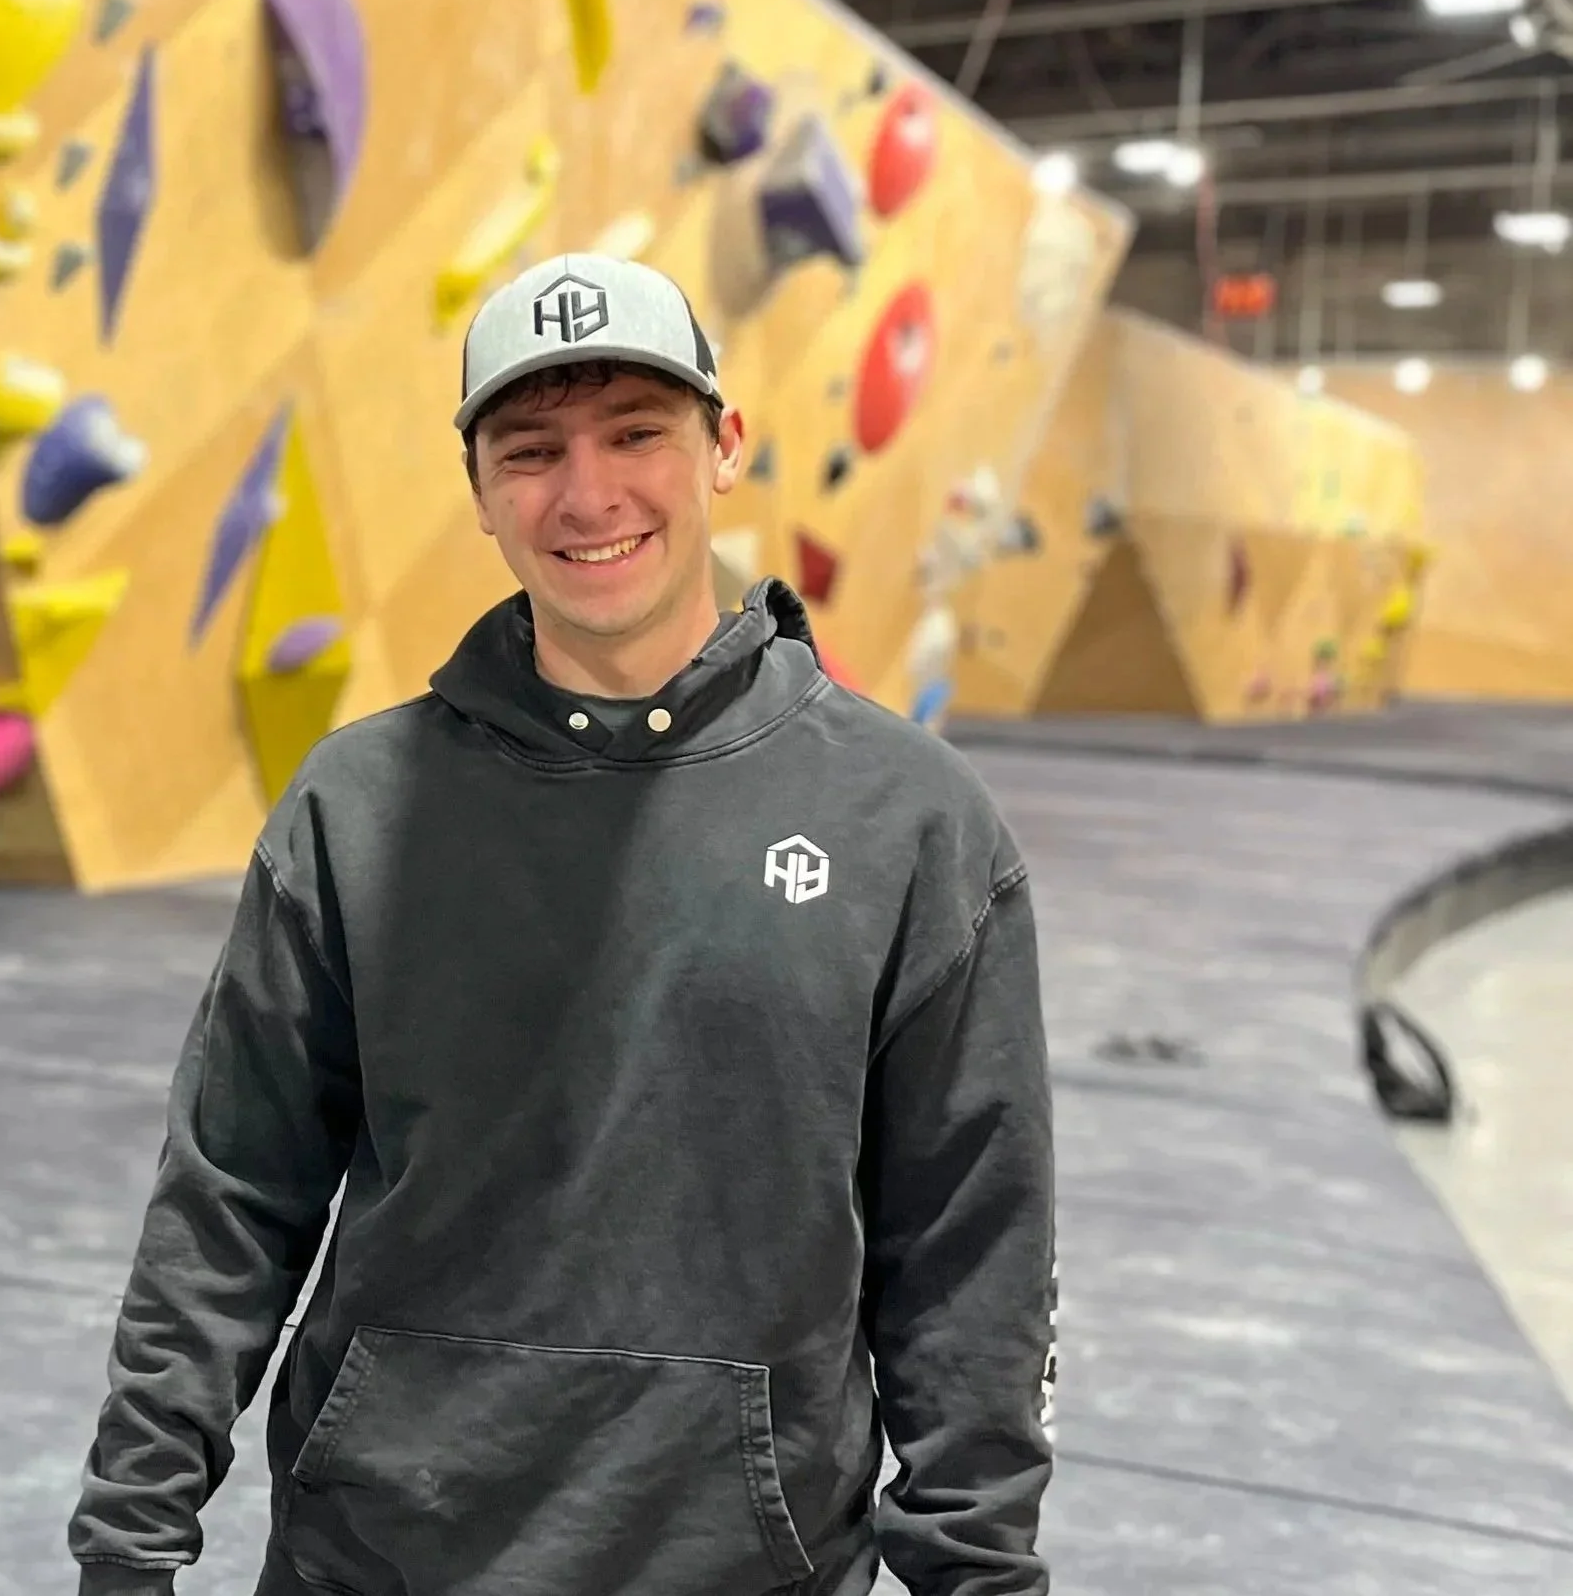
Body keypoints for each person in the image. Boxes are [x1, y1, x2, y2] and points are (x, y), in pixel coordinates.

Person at [67, 253, 1058, 1596]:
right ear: (477, 488)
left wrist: (977, 1573)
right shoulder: (355, 807)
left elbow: (969, 1254)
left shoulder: (910, 820)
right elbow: (230, 1196)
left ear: (725, 446)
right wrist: (128, 1541)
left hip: (742, 1565)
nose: (586, 495)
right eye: (530, 449)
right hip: (380, 1556)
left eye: (637, 433)